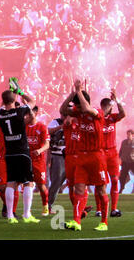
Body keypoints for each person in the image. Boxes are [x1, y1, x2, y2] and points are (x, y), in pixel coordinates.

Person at [60, 79, 109, 232]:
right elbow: (62, 109)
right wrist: (73, 93)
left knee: (100, 191)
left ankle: (104, 222)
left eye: (78, 105)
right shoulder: (78, 112)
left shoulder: (96, 113)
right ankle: (76, 222)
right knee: (78, 189)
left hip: (96, 157)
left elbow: (87, 108)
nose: (77, 109)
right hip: (82, 157)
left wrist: (79, 91)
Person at [0, 85, 40, 225]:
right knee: (28, 182)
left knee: (11, 183)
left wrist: (10, 96)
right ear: (14, 99)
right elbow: (33, 102)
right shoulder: (19, 111)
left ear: (3, 101)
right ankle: (26, 214)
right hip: (22, 151)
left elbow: (3, 105)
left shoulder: (1, 114)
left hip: (10, 152)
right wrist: (19, 92)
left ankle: (10, 215)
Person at [95, 89, 125, 217]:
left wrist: (117, 101)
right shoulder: (96, 118)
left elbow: (123, 114)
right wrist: (109, 106)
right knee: (100, 182)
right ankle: (99, 209)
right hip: (100, 153)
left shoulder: (113, 118)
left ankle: (113, 208)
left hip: (113, 153)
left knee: (114, 180)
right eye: (107, 107)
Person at [25, 106, 50, 216]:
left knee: (41, 185)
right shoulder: (24, 127)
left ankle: (45, 206)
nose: (27, 116)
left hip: (38, 161)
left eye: (29, 114)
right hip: (26, 160)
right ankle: (27, 210)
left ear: (35, 113)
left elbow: (47, 144)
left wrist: (39, 150)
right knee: (27, 184)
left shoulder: (42, 127)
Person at [46, 113, 66, 213]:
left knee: (77, 182)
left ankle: (80, 206)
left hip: (72, 155)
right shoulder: (56, 122)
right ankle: (48, 205)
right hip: (58, 155)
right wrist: (61, 127)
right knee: (56, 182)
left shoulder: (75, 121)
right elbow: (48, 131)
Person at [119, 129, 134, 194]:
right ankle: (121, 188)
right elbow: (121, 151)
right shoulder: (124, 142)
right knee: (122, 176)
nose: (128, 136)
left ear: (133, 135)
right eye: (127, 134)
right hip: (125, 162)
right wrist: (120, 157)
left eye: (129, 134)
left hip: (133, 162)